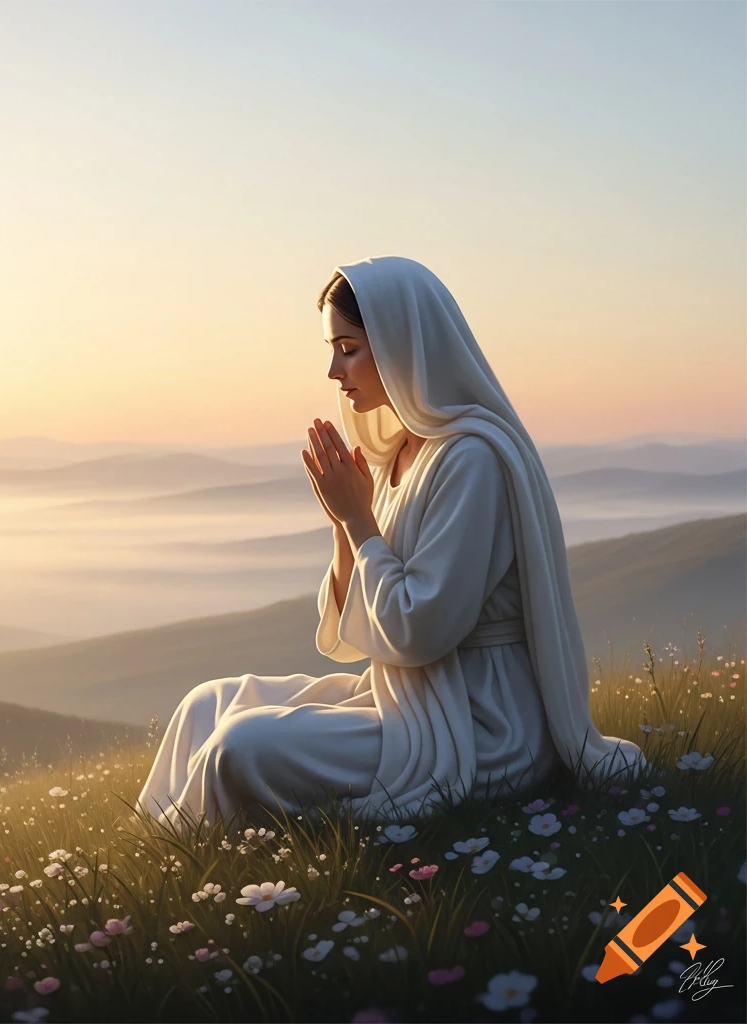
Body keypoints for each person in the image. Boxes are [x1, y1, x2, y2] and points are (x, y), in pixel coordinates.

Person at [135, 255, 649, 835]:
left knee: (240, 747)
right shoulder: (399, 451)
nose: (334, 369)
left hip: (477, 721)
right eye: (333, 349)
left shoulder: (470, 460)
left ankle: (199, 868)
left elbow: (420, 630)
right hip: (404, 694)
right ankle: (155, 849)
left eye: (349, 347)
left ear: (405, 344)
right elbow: (351, 638)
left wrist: (358, 520)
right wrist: (342, 521)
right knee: (206, 703)